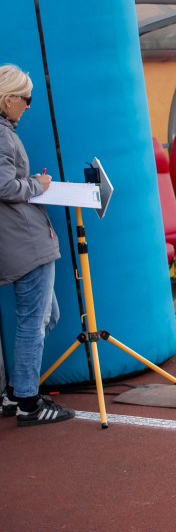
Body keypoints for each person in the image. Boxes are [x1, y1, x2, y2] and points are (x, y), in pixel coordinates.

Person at [0, 64, 72, 427]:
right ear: (8, 98)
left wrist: (30, 182)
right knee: (34, 320)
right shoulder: (1, 134)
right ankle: (28, 402)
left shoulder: (5, 131)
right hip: (24, 241)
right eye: (25, 99)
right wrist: (37, 187)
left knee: (46, 315)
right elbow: (3, 187)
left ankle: (16, 393)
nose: (29, 106)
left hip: (21, 240)